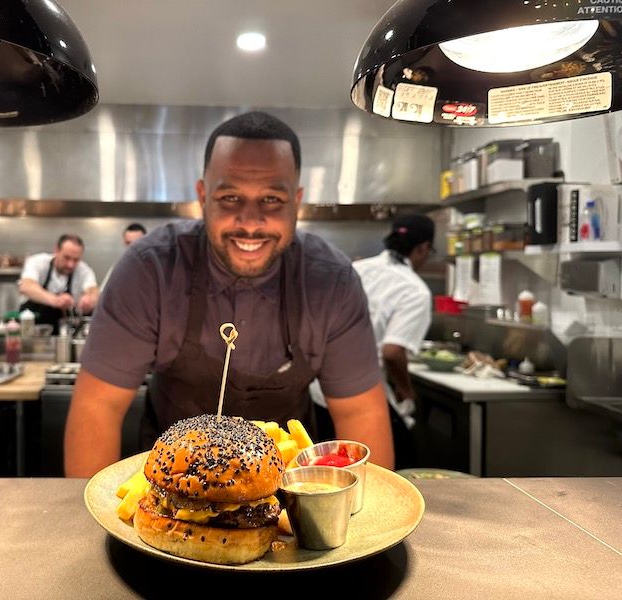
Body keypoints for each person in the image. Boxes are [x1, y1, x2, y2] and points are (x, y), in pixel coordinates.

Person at [64, 111, 394, 477]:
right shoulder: (149, 269)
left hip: (292, 498)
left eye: (271, 200)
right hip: (169, 494)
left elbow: (360, 413)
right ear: (203, 196)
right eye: (231, 197)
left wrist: (362, 521)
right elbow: (98, 406)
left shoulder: (332, 281)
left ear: (296, 201)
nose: (250, 222)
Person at [312, 213, 435, 467]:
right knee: (387, 471)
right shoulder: (415, 291)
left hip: (318, 394)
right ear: (423, 248)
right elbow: (392, 351)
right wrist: (405, 388)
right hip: (364, 398)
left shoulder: (354, 269)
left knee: (329, 472)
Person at [18, 234, 99, 332]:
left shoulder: (84, 270)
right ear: (56, 250)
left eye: (76, 260)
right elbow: (26, 286)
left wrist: (89, 299)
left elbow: (93, 290)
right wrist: (55, 300)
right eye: (67, 258)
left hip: (66, 334)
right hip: (35, 333)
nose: (70, 264)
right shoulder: (38, 262)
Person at [99, 223, 148, 291]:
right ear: (124, 242)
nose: (131, 248)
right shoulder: (118, 268)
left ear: (146, 242)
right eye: (128, 243)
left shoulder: (156, 269)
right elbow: (104, 294)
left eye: (136, 243)